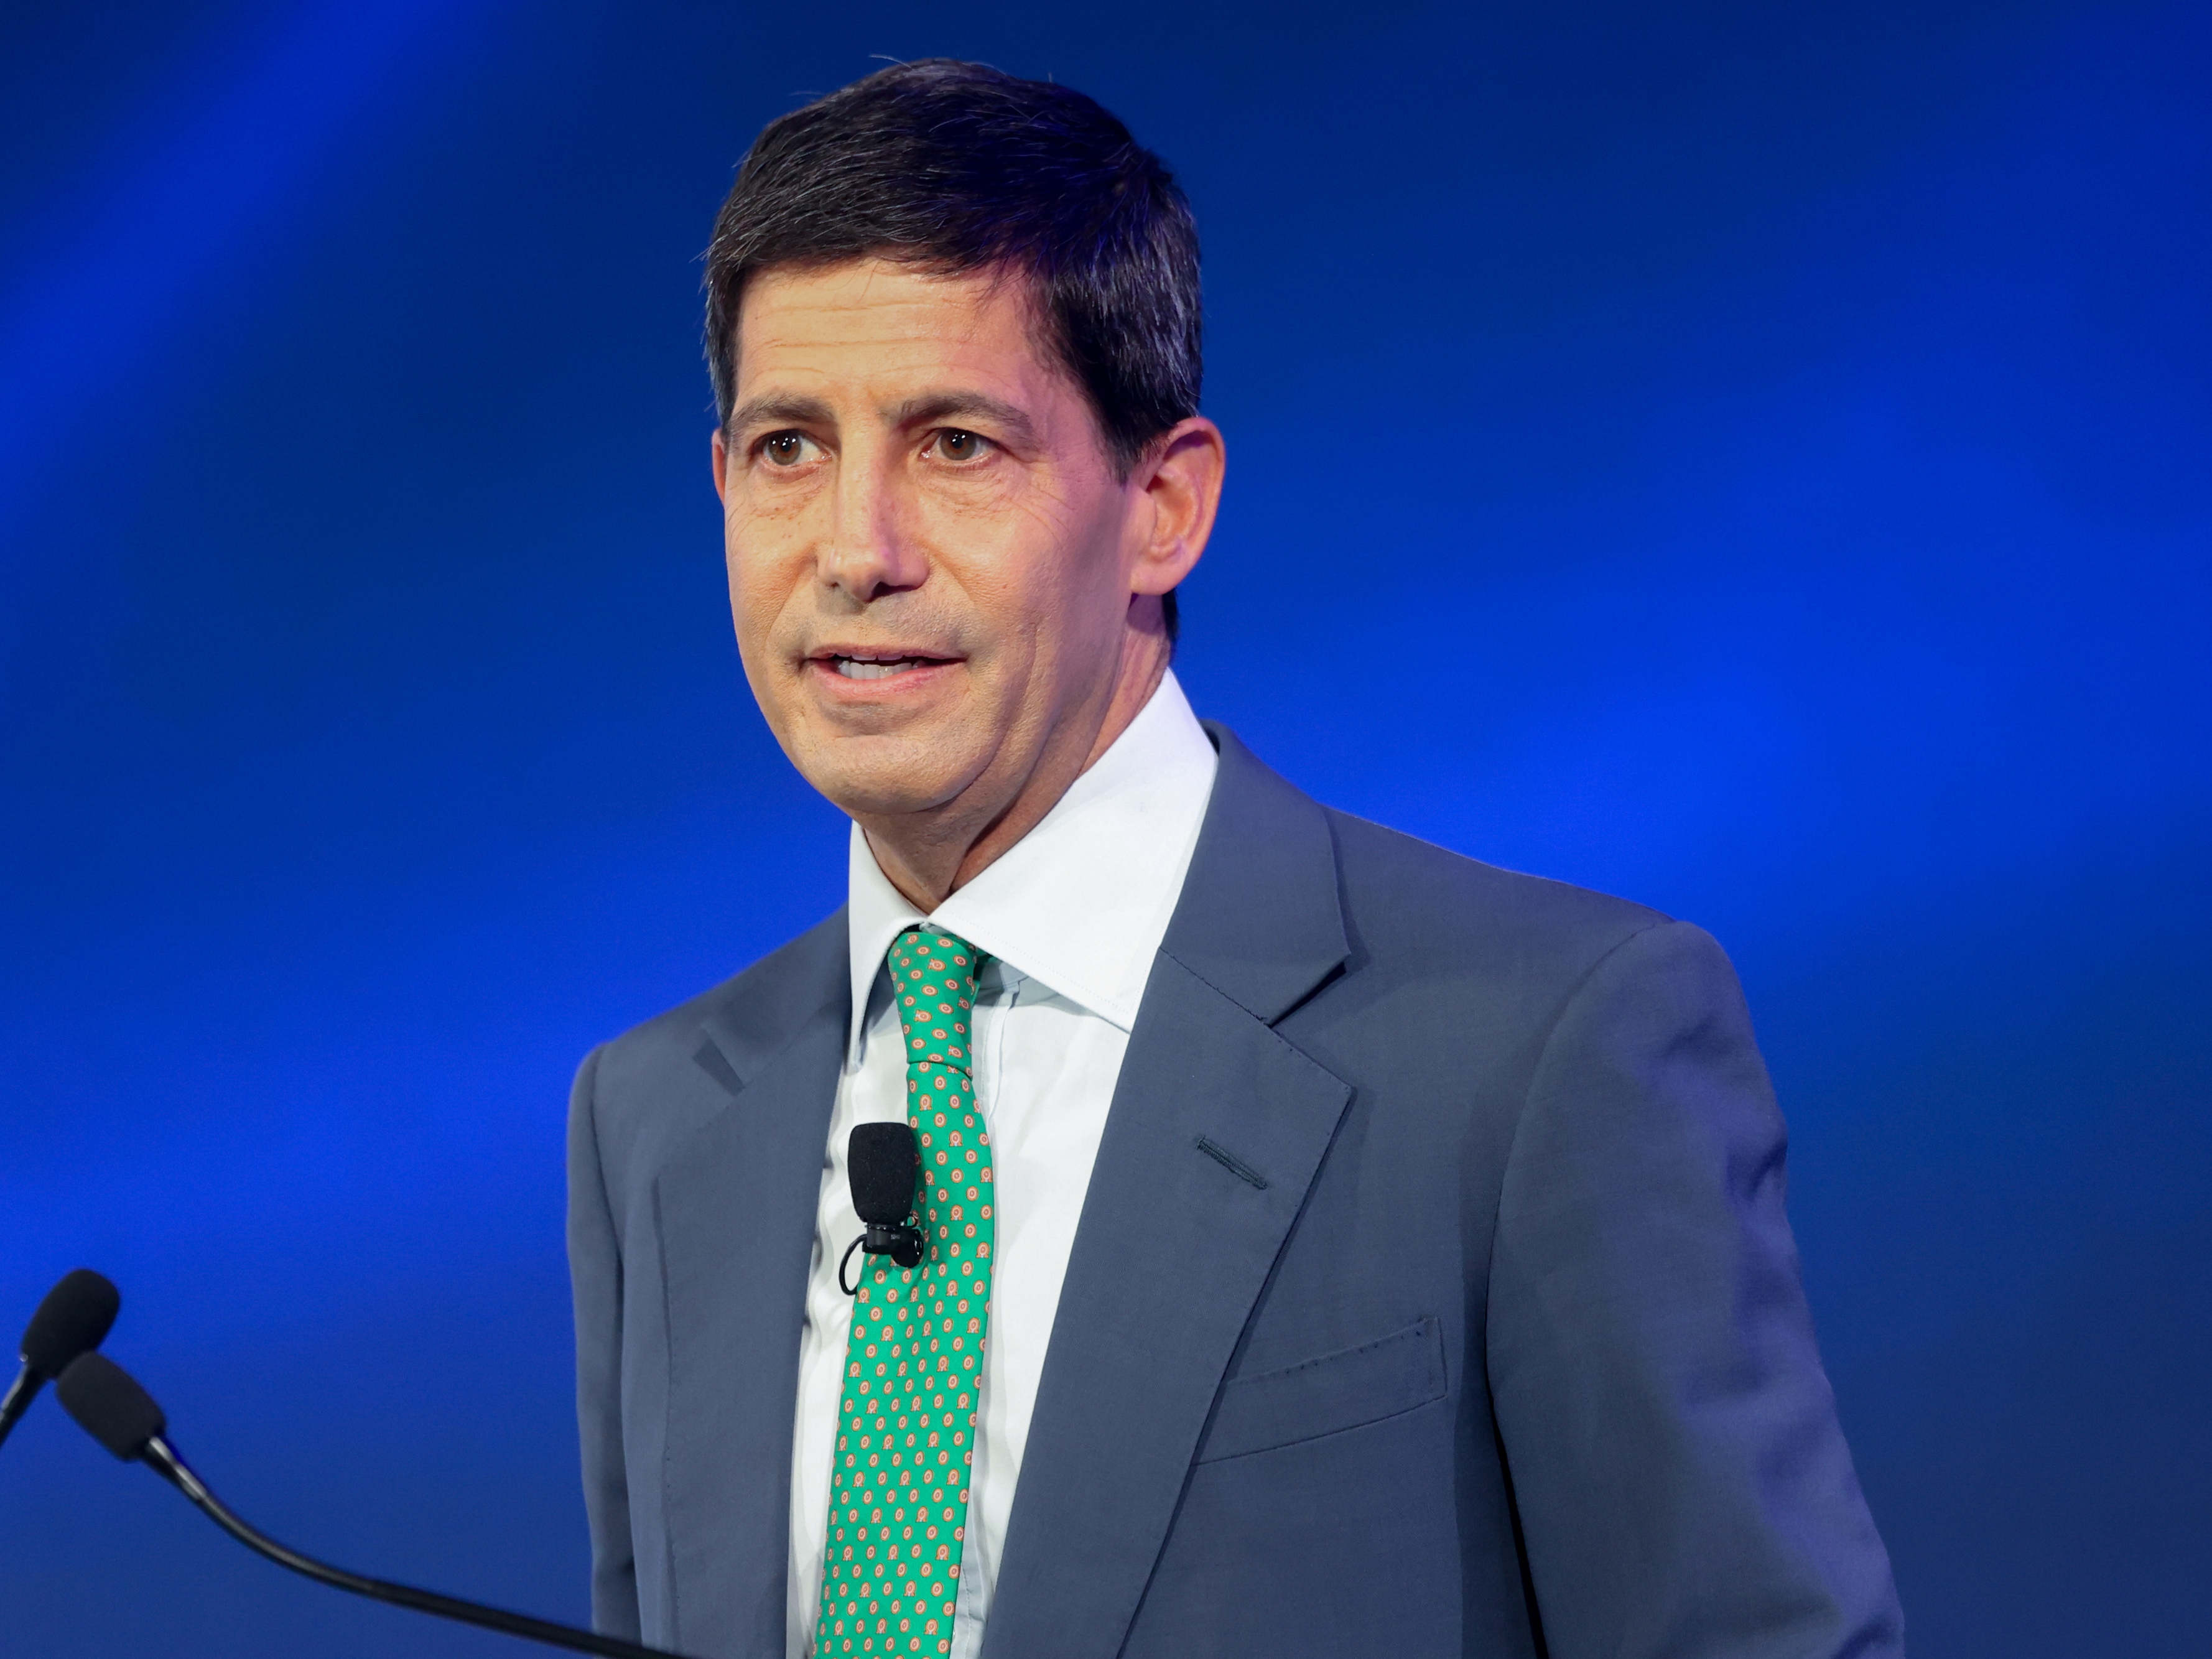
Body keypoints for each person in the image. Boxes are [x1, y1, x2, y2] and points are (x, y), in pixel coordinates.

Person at [565, 59, 1902, 1659]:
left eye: (956, 444)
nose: (859, 549)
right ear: (720, 486)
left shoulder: (1544, 1047)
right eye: (789, 444)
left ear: (1162, 505)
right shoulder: (652, 1118)